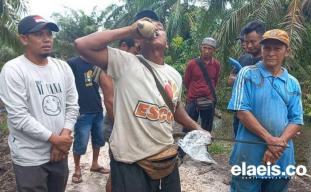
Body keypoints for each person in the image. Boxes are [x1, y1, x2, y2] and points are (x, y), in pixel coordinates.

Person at [75, 10, 208, 192]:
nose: (155, 29)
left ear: (167, 43)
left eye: (159, 27)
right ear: (138, 41)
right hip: (130, 161)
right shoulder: (125, 62)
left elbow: (174, 107)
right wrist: (130, 30)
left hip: (165, 158)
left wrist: (197, 128)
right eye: (151, 27)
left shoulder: (174, 75)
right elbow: (82, 45)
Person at [0, 15, 79, 192]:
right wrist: (56, 140)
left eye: (49, 34)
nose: (46, 39)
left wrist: (64, 136)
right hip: (30, 158)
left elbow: (73, 105)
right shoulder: (13, 70)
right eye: (39, 34)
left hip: (59, 153)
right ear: (24, 38)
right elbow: (19, 117)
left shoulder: (62, 67)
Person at [227, 29, 303, 192]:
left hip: (281, 159)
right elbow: (242, 111)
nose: (271, 53)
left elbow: (296, 120)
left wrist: (278, 143)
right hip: (249, 157)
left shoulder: (293, 83)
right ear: (261, 50)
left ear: (287, 51)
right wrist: (269, 139)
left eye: (277, 48)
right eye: (267, 48)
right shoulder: (247, 74)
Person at [97, 38, 140, 192]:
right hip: (117, 128)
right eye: (135, 51)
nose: (136, 56)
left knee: (128, 173)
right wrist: (128, 131)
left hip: (127, 128)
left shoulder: (129, 68)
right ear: (123, 47)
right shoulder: (109, 68)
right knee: (117, 172)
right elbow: (110, 102)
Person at [67, 56, 109, 184]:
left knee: (99, 138)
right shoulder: (73, 63)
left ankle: (95, 164)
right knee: (81, 141)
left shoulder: (96, 63)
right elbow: (67, 86)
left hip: (97, 108)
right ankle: (77, 169)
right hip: (82, 110)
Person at [227, 21, 265, 137]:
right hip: (240, 115)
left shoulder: (269, 62)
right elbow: (229, 80)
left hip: (260, 116)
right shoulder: (243, 59)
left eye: (253, 42)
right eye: (246, 42)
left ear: (262, 39)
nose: (248, 46)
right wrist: (241, 78)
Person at [183, 37, 220, 132]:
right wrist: (194, 91)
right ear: (201, 48)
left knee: (206, 130)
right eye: (204, 48)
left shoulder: (216, 64)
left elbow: (214, 81)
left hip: (208, 100)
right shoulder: (192, 64)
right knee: (188, 128)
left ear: (214, 50)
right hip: (193, 100)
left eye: (210, 48)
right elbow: (186, 81)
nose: (206, 51)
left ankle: (203, 146)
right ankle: (185, 147)